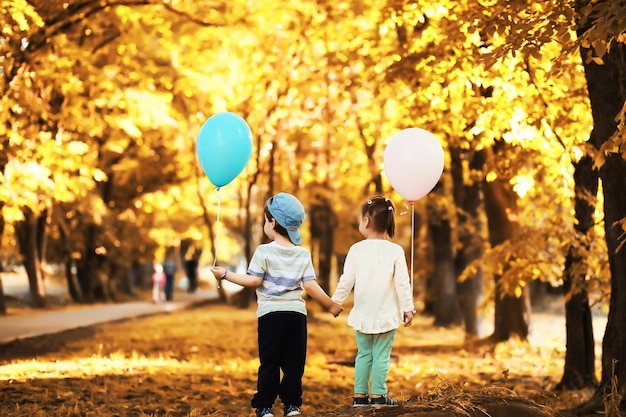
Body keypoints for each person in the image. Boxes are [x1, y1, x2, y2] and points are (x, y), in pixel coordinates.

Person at [211, 192, 343, 417]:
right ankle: (292, 405)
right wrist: (330, 305)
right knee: (294, 363)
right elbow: (310, 286)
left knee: (269, 361)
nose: (265, 223)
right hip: (295, 316)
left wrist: (225, 274)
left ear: (272, 222)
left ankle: (265, 406)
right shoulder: (303, 254)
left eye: (265, 220)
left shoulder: (264, 252)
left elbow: (253, 281)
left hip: (271, 315)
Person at [331, 195, 415, 408]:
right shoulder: (395, 251)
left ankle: (359, 396)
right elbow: (402, 283)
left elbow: (346, 280)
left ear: (366, 221)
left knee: (364, 355)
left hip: (364, 314)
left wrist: (336, 301)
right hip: (387, 315)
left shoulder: (356, 250)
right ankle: (378, 395)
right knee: (381, 356)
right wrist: (408, 308)